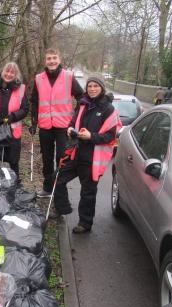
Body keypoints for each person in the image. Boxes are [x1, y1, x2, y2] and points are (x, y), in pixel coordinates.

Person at [53, 76, 121, 233]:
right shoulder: (83, 104)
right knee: (57, 178)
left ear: (101, 88)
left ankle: (85, 223)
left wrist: (91, 136)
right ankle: (62, 209)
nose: (92, 89)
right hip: (76, 152)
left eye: (95, 86)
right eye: (89, 86)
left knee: (88, 192)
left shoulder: (108, 109)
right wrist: (69, 129)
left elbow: (111, 137)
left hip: (92, 158)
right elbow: (73, 122)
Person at [30, 48, 84, 197]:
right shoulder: (39, 78)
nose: (52, 61)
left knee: (61, 158)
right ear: (45, 61)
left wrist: (75, 118)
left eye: (54, 58)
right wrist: (33, 122)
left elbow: (81, 97)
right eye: (49, 58)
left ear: (59, 60)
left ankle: (59, 190)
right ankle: (47, 188)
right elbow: (34, 101)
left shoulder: (68, 76)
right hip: (45, 126)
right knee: (47, 159)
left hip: (64, 126)